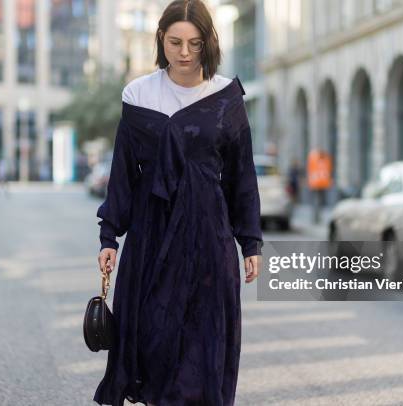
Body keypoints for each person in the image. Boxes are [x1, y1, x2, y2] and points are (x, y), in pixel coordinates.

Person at [94, 1, 263, 405]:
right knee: (153, 340)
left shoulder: (226, 97)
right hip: (152, 237)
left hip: (209, 238)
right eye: (174, 42)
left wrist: (250, 243)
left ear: (208, 43)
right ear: (160, 40)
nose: (184, 52)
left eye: (194, 43)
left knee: (203, 343)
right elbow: (123, 175)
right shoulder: (138, 93)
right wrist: (108, 237)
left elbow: (242, 176)